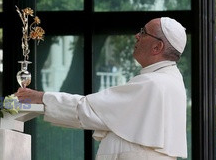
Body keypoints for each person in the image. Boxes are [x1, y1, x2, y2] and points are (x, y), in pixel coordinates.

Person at [16, 17, 188, 159]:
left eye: (143, 32)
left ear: (157, 47)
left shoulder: (154, 83)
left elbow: (88, 109)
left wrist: (41, 98)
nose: (137, 35)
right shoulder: (170, 80)